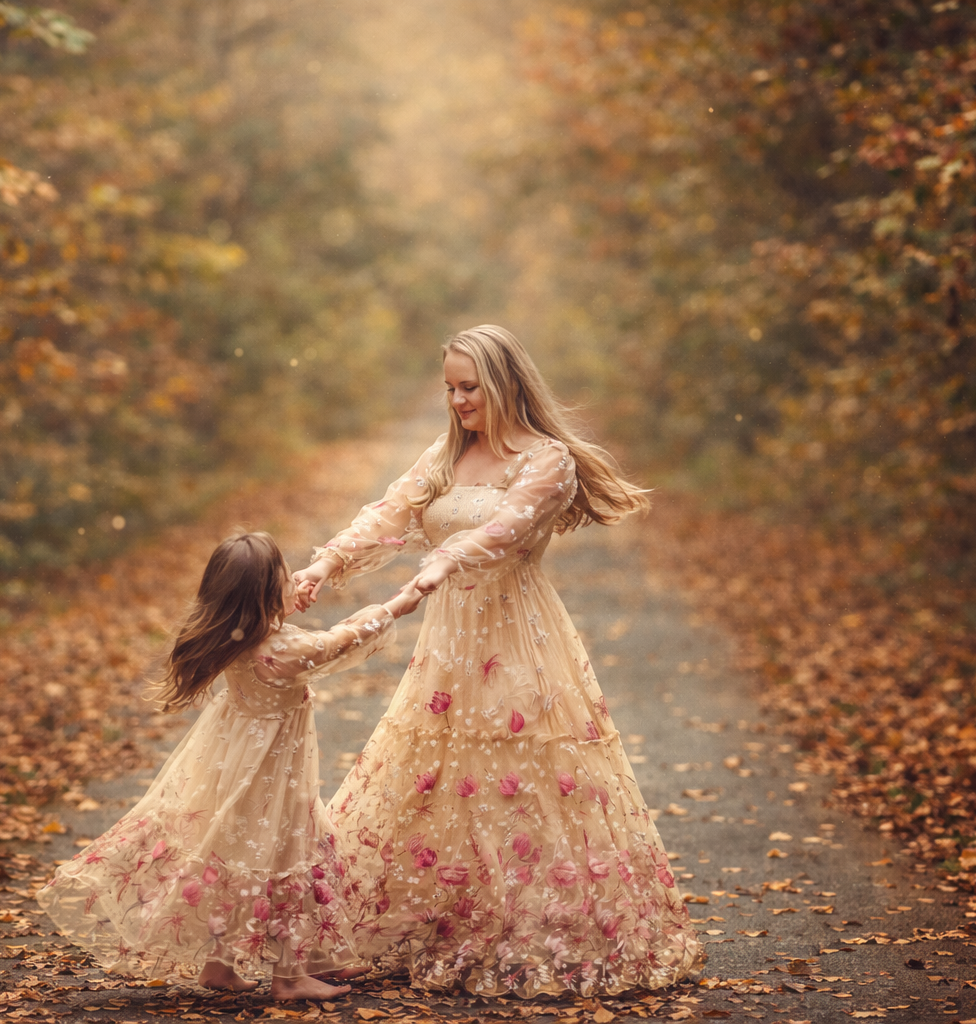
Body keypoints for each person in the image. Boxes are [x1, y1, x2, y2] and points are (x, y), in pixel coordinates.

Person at [294, 325, 704, 997]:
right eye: (449, 389)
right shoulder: (449, 453)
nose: (457, 401)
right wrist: (323, 563)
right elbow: (389, 511)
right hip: (449, 645)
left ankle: (528, 923)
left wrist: (442, 560)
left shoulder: (548, 460)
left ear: (505, 383)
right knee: (434, 773)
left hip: (518, 638)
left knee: (521, 775)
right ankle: (441, 913)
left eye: (469, 388)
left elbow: (505, 527)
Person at [37, 532, 421, 1000]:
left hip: (236, 761)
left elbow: (285, 631)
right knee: (284, 854)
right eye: (285, 576)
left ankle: (224, 968)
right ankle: (290, 977)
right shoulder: (284, 650)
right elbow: (340, 641)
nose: (293, 579)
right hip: (272, 771)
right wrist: (396, 605)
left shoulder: (241, 636)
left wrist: (283, 603)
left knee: (239, 854)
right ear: (264, 595)